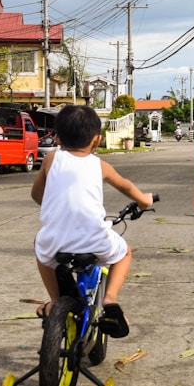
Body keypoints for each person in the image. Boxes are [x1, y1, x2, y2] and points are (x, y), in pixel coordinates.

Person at [30, 104, 154, 336]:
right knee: (125, 253)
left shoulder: (50, 160)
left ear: (57, 138)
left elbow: (37, 195)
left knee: (40, 248)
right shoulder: (100, 165)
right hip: (95, 239)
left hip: (55, 240)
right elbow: (126, 185)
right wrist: (144, 201)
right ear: (96, 141)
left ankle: (56, 302)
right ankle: (110, 299)